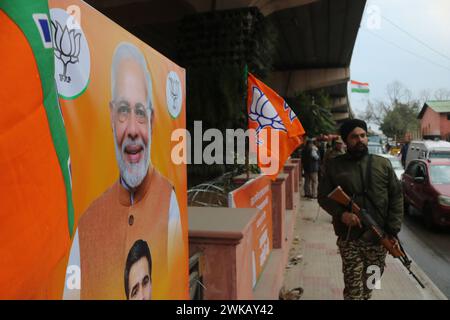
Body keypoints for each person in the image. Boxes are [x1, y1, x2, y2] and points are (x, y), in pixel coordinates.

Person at [63, 42, 183, 300]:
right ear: (110, 116)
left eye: (139, 112)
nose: (131, 129)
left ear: (151, 121)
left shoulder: (168, 202)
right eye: (123, 111)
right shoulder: (85, 229)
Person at [318, 119, 403, 300]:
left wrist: (392, 230)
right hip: (350, 238)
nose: (360, 140)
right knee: (354, 290)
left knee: (370, 285)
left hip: (379, 239)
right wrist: (342, 215)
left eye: (363, 136)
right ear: (346, 140)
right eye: (354, 137)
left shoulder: (383, 165)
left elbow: (396, 197)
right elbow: (323, 196)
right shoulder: (335, 166)